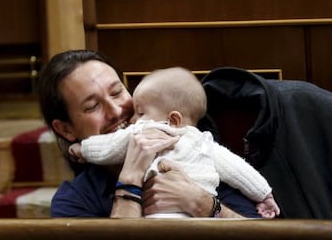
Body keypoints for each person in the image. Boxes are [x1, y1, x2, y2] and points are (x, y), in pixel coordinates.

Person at [38, 49, 263, 218]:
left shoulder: (192, 148)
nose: (116, 111)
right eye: (92, 106)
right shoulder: (75, 200)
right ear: (66, 129)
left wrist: (201, 202)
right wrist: (131, 178)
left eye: (117, 93)